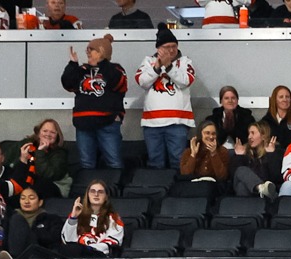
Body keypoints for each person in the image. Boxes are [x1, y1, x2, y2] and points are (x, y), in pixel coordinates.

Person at [60, 35, 127, 173]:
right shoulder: (82, 69)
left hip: (107, 122)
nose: (88, 53)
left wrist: (102, 64)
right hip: (83, 124)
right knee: (86, 164)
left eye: (92, 50)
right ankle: (88, 192)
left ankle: (116, 191)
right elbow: (67, 83)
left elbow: (118, 83)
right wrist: (73, 64)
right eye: (88, 51)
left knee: (114, 162)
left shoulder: (115, 68)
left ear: (102, 52)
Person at [134, 27, 196, 171]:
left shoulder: (185, 61)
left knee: (178, 162)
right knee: (155, 163)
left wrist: (168, 66)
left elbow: (185, 81)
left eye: (174, 46)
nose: (171, 50)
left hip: (178, 122)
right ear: (158, 48)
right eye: (166, 47)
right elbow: (142, 81)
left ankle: (178, 191)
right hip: (152, 123)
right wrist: (157, 67)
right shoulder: (147, 61)